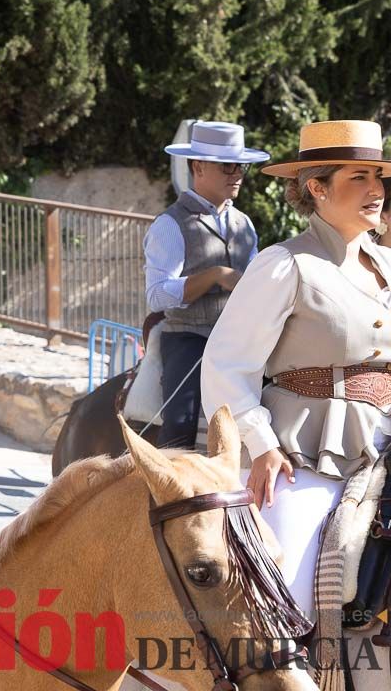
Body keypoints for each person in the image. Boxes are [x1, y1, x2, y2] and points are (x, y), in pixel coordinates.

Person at [203, 119, 391, 619]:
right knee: (286, 591)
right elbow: (227, 364)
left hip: (384, 437)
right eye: (358, 178)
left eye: (378, 176)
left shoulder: (387, 266)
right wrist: (261, 447)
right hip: (304, 450)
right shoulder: (284, 265)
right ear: (317, 187)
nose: (376, 189)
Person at [144, 121, 266, 449]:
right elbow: (157, 295)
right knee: (180, 422)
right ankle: (166, 491)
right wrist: (214, 275)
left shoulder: (245, 224)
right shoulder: (170, 224)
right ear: (199, 167)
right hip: (188, 338)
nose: (237, 173)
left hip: (238, 340)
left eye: (241, 166)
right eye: (228, 166)